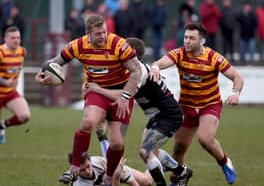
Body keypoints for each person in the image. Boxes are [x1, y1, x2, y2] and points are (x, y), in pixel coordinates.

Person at [35, 14, 142, 185]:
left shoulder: (118, 44)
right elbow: (56, 62)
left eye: (104, 32)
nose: (103, 36)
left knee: (117, 144)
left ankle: (108, 176)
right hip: (96, 92)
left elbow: (136, 71)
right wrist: (43, 72)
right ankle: (74, 168)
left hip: (120, 94)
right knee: (87, 123)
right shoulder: (78, 45)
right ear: (88, 33)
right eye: (98, 33)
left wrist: (125, 97)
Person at [84, 37, 193, 186]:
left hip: (169, 115)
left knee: (145, 151)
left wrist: (98, 89)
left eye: (122, 49)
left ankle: (167, 181)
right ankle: (181, 172)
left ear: (132, 53)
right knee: (150, 152)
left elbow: (123, 95)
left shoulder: (139, 72)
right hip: (157, 116)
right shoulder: (131, 70)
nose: (118, 52)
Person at [149, 22, 244, 185]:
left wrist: (235, 94)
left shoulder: (213, 57)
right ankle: (178, 179)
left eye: (192, 38)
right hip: (186, 105)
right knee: (179, 147)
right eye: (185, 37)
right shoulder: (179, 54)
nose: (187, 41)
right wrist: (156, 67)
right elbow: (162, 62)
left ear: (202, 41)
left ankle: (225, 162)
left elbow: (237, 77)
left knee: (205, 139)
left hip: (210, 104)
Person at [61, 143, 153, 186]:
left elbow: (131, 181)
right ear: (76, 170)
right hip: (111, 179)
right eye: (82, 170)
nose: (88, 171)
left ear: (90, 160)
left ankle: (155, 161)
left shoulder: (98, 162)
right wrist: (116, 177)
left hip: (115, 173)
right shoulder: (80, 184)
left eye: (88, 166)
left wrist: (117, 175)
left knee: (147, 182)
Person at [0, 26, 30, 144]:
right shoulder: (1, 52)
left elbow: (16, 69)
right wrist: (4, 82)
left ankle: (2, 125)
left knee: (24, 116)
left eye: (18, 37)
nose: (16, 40)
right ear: (5, 39)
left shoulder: (22, 51)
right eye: (13, 38)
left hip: (9, 92)